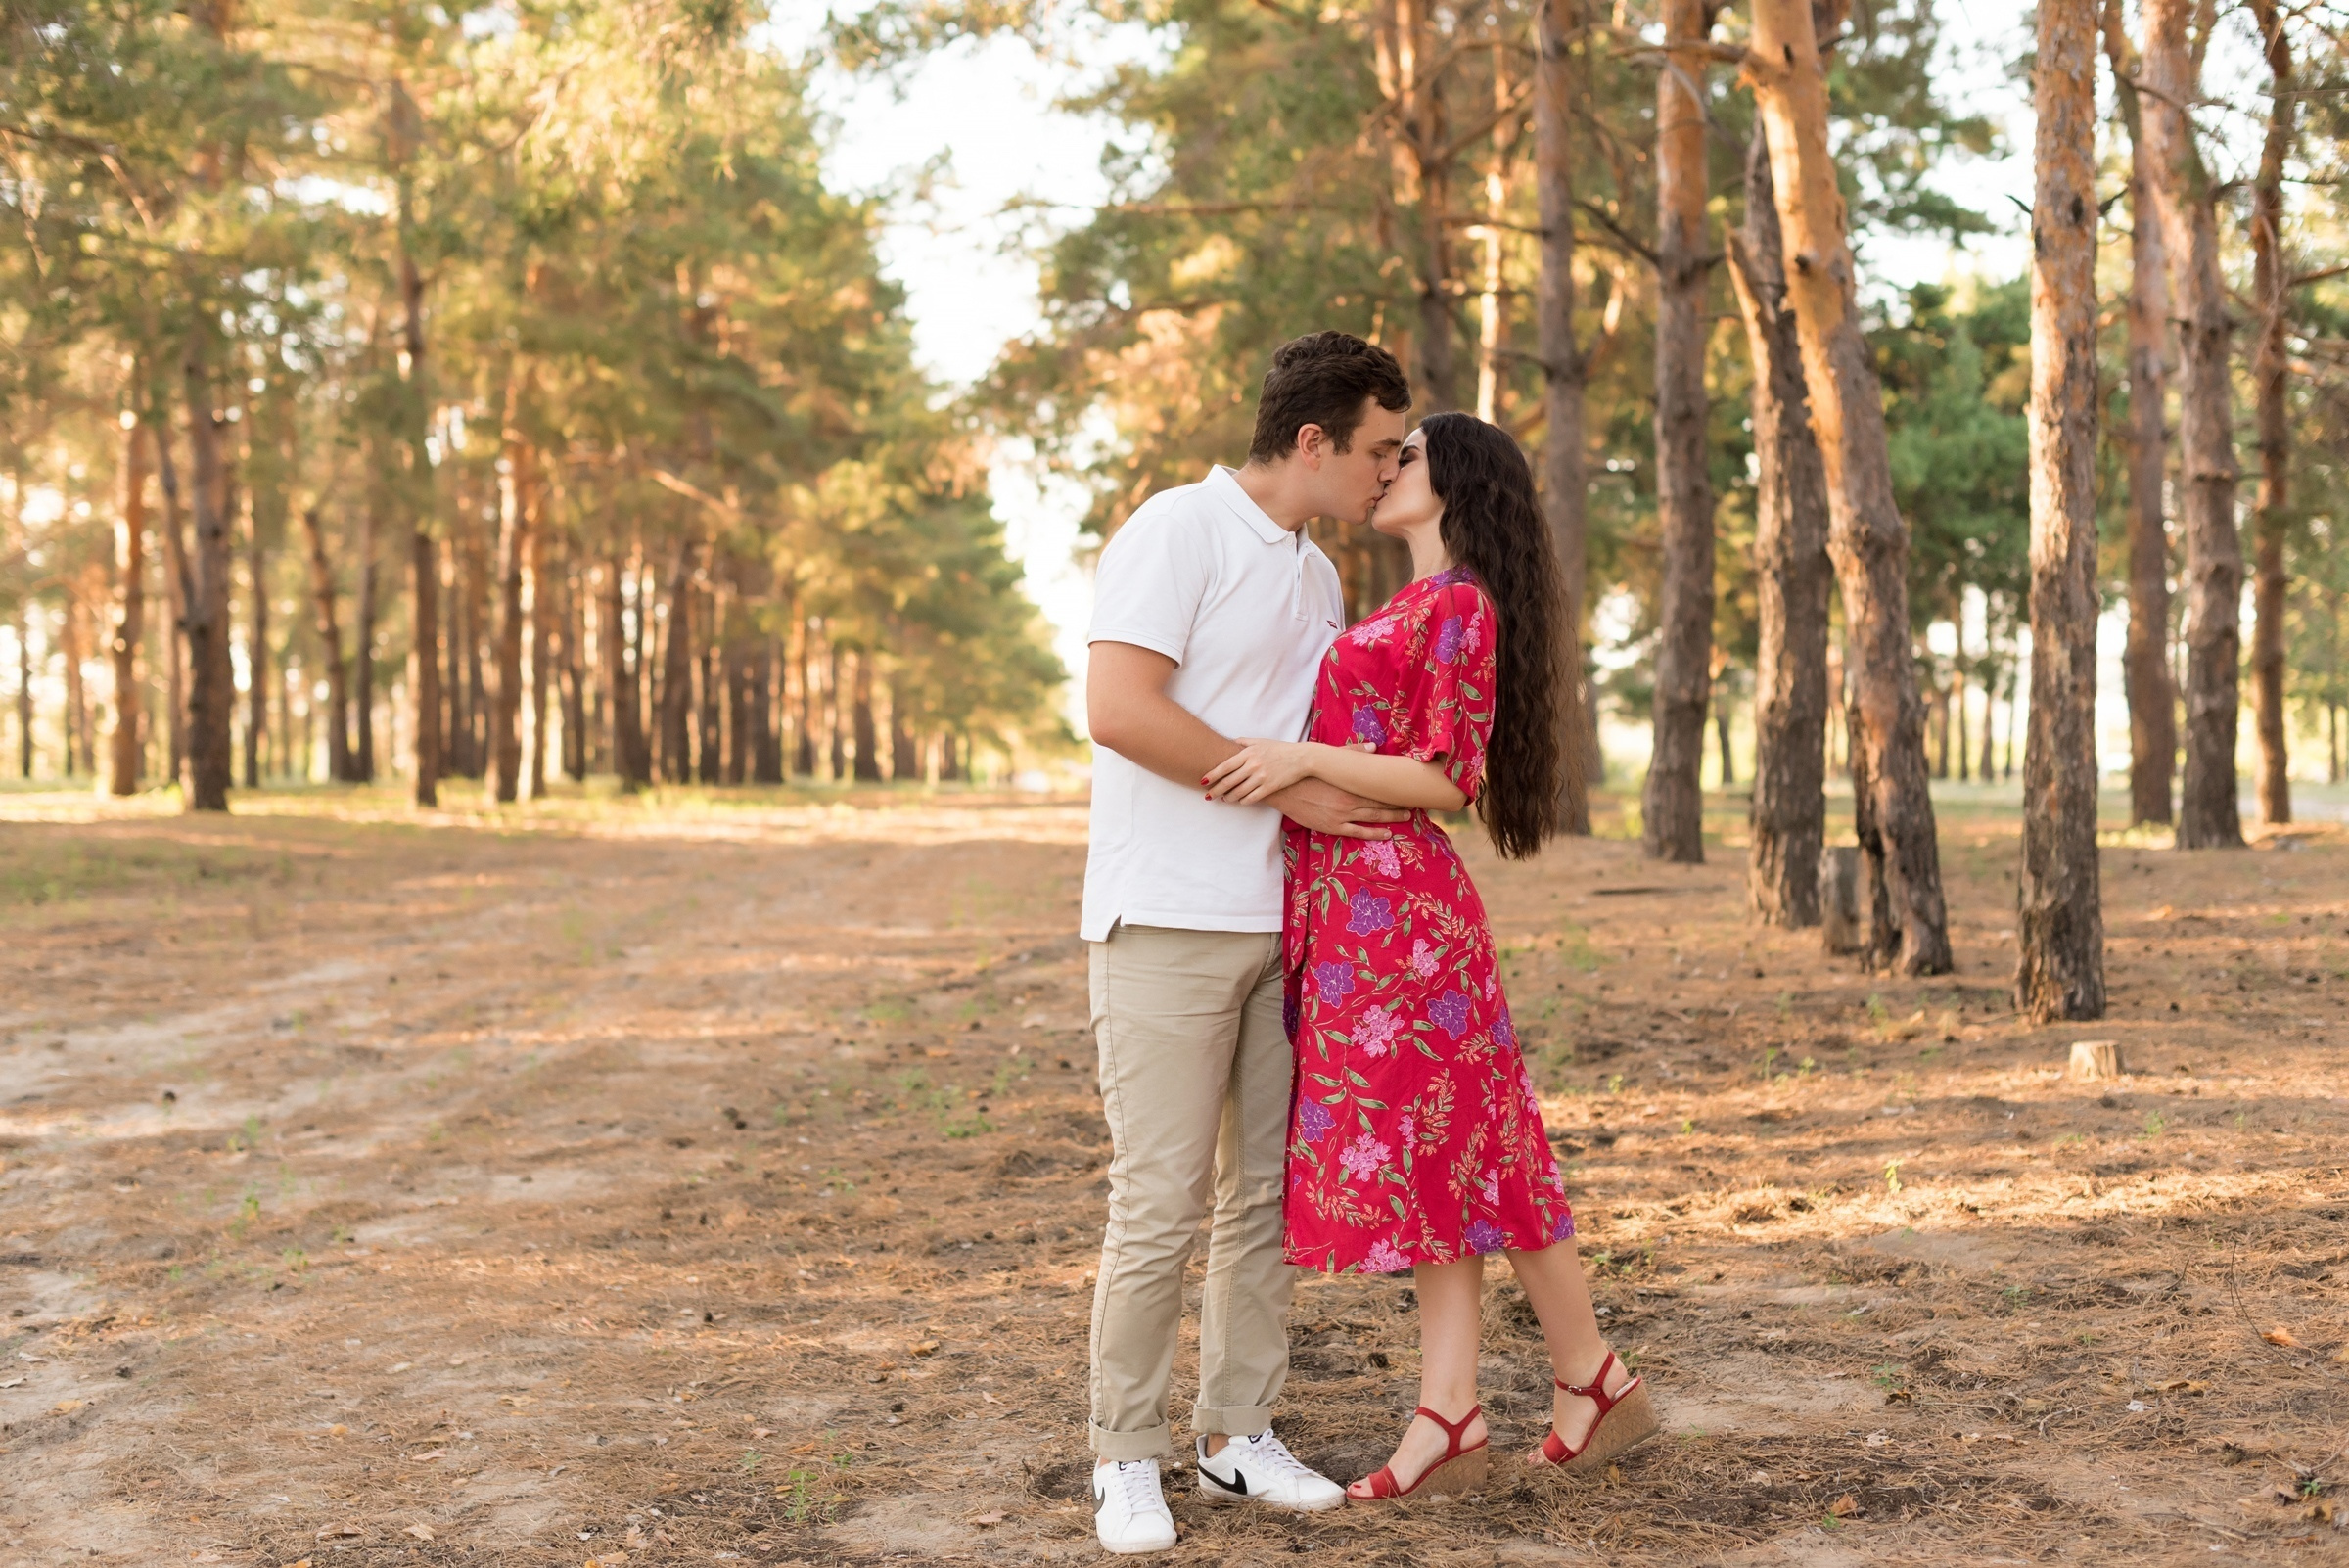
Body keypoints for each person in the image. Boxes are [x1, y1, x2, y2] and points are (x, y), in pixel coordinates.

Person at [1204, 411, 1659, 1501]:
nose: (1382, 468)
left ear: (1454, 479)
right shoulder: (1417, 600)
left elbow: (1449, 778)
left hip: (1401, 921)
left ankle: (1567, 1383)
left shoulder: (1456, 603)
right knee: (1443, 1156)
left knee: (1468, 1147)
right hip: (1361, 917)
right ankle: (1481, 1405)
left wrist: (1297, 759)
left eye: (1402, 455)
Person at [1079, 332, 1413, 1553]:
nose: (1390, 471)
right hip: (1167, 917)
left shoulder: (1317, 575)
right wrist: (1288, 790)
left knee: (1264, 1199)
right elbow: (1119, 709)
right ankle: (1125, 1455)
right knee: (1159, 1203)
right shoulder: (1179, 529)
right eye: (1379, 449)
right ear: (1313, 441)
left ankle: (1236, 1436)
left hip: (1286, 923)